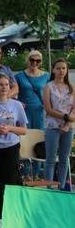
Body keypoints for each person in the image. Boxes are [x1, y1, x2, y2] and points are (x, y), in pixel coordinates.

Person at [0, 74, 27, 228]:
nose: (4, 87)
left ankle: (13, 217)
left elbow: (23, 129)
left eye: (7, 85)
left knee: (10, 182)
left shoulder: (16, 105)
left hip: (11, 147)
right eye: (0, 84)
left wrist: (9, 128)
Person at [15, 50, 49, 178]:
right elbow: (13, 92)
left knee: (39, 141)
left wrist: (47, 103)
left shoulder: (46, 76)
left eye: (38, 61)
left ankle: (35, 173)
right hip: (24, 111)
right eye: (32, 60)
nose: (35, 63)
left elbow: (51, 92)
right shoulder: (19, 76)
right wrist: (18, 102)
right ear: (27, 60)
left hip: (40, 111)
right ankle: (25, 173)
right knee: (24, 141)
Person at [42, 59, 74, 190]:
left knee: (64, 159)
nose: (61, 71)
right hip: (52, 126)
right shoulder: (48, 87)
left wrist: (67, 124)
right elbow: (48, 109)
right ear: (53, 70)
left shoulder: (71, 87)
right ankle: (49, 186)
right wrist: (65, 116)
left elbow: (74, 109)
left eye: (64, 68)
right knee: (50, 158)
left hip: (68, 127)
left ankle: (61, 187)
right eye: (58, 68)